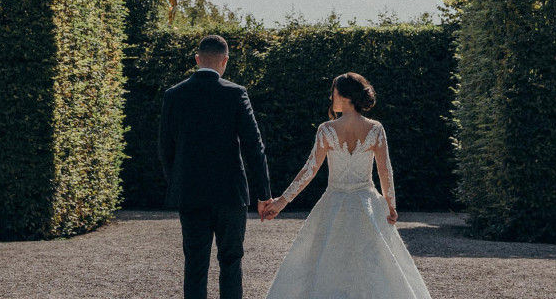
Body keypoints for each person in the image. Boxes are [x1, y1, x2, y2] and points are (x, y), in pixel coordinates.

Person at [263, 72, 432, 298]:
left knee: (325, 260)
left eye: (333, 93)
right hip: (368, 203)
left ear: (344, 96)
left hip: (334, 202)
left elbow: (310, 169)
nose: (330, 98)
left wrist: (282, 201)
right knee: (376, 263)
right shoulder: (375, 128)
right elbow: (385, 171)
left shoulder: (326, 129)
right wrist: (390, 205)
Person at [159, 34, 273, 299]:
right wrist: (263, 194)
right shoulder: (236, 93)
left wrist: (176, 183)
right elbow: (254, 146)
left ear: (197, 59)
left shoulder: (174, 95)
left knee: (195, 263)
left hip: (190, 192)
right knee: (231, 261)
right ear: (225, 61)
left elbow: (165, 148)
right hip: (230, 193)